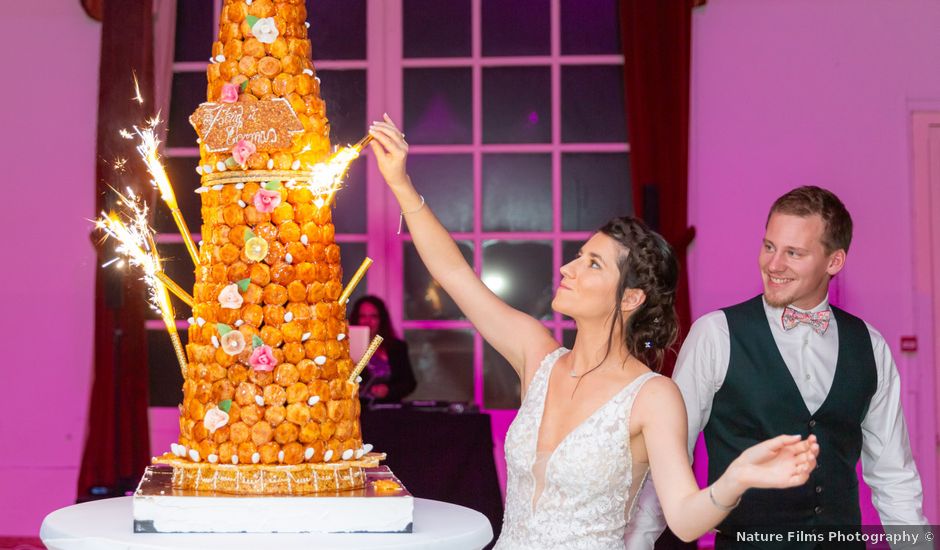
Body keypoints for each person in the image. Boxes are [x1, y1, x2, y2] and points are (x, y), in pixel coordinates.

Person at [368, 114, 819, 549]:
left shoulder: (653, 396)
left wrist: (737, 477)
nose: (568, 268)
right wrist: (401, 185)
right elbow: (454, 274)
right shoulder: (536, 355)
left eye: (592, 264)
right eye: (579, 256)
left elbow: (682, 519)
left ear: (630, 298)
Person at [633, 186, 928, 548]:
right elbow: (667, 460)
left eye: (794, 253)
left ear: (834, 262)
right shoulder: (716, 334)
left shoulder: (871, 345)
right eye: (769, 246)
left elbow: (894, 475)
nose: (773, 265)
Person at [350, 295, 417, 404]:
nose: (368, 321)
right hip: (356, 410)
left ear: (381, 319)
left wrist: (388, 390)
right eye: (362, 316)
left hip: (388, 410)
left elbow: (408, 383)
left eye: (373, 316)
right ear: (356, 318)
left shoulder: (396, 347)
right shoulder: (345, 347)